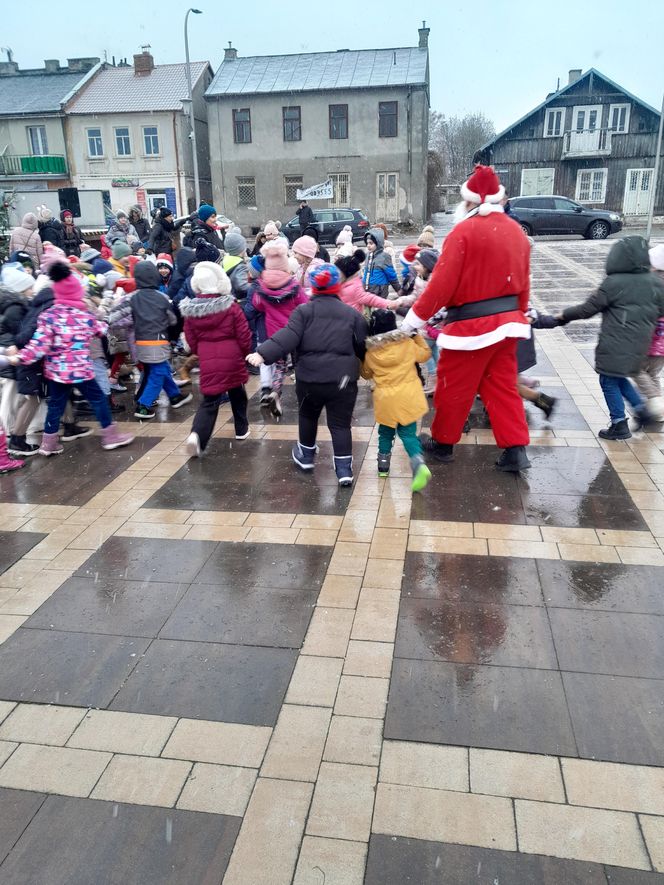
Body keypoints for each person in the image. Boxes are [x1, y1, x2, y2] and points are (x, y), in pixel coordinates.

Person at [400, 165, 533, 472]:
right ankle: (515, 450)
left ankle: (443, 443)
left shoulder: (463, 232)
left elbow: (441, 286)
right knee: (502, 387)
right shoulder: (516, 231)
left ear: (469, 201)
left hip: (472, 328)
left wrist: (412, 322)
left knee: (453, 386)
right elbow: (524, 281)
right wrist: (521, 313)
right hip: (509, 324)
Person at [247, 263, 368, 486]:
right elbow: (362, 346)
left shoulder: (302, 312)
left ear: (313, 286)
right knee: (340, 425)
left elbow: (288, 336)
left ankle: (306, 456)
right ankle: (344, 470)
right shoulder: (353, 315)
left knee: (308, 416)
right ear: (337, 286)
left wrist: (262, 354)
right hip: (342, 381)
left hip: (310, 378)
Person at [8, 261, 134, 454]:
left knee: (56, 405)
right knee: (99, 399)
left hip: (56, 372)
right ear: (76, 293)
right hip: (81, 370)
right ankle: (110, 436)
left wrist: (21, 357)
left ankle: (49, 444)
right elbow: (102, 329)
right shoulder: (83, 316)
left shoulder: (49, 316)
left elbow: (38, 345)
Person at [558, 236, 664, 440]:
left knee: (608, 379)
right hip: (640, 343)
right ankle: (642, 412)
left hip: (616, 341)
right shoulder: (654, 283)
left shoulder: (614, 282)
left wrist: (563, 316)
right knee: (616, 377)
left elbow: (587, 309)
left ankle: (619, 424)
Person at [180, 262, 252, 456]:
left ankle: (197, 435)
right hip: (232, 357)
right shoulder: (231, 306)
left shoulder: (191, 311)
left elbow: (191, 340)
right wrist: (245, 353)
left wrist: (202, 352)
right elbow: (244, 334)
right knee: (237, 393)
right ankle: (241, 429)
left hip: (208, 359)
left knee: (210, 400)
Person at [361, 309, 432, 491]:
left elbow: (365, 373)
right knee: (408, 433)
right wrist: (416, 336)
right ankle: (418, 463)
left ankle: (383, 465)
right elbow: (425, 354)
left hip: (386, 400)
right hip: (408, 396)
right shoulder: (406, 344)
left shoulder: (371, 353)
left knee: (385, 432)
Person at [250, 238, 308, 417]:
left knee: (280, 366)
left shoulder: (261, 286)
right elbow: (304, 305)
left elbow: (257, 305)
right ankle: (304, 397)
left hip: (275, 335)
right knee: (299, 365)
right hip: (295, 332)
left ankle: (276, 392)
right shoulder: (294, 286)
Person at [131, 263, 192, 420]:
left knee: (162, 368)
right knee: (157, 373)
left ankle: (174, 396)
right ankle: (144, 405)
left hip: (140, 342)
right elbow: (172, 320)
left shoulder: (133, 298)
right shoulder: (162, 297)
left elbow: (117, 318)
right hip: (158, 340)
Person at [0, 266, 38, 455]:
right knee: (13, 396)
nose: (33, 290)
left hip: (14, 356)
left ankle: (12, 434)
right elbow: (11, 332)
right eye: (30, 287)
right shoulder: (15, 307)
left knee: (15, 396)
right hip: (14, 357)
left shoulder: (16, 304)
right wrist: (12, 348)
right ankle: (12, 436)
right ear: (21, 288)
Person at [633, 244, 664, 422]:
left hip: (650, 336)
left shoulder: (649, 282)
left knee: (634, 368)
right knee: (653, 373)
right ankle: (659, 412)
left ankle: (655, 402)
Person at [335, 250, 402, 314]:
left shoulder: (355, 288)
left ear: (347, 274)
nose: (335, 275)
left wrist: (387, 304)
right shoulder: (339, 284)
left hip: (352, 322)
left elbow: (371, 299)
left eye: (338, 273)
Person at [362, 228, 400, 297]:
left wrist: (398, 289)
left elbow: (391, 274)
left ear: (378, 243)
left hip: (379, 291)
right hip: (367, 290)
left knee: (379, 307)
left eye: (371, 243)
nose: (368, 245)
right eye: (367, 243)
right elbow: (365, 272)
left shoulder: (384, 257)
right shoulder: (368, 255)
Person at [222, 231, 250, 301]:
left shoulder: (226, 260)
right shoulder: (241, 266)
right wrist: (254, 286)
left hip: (230, 296)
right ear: (241, 249)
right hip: (240, 300)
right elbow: (241, 286)